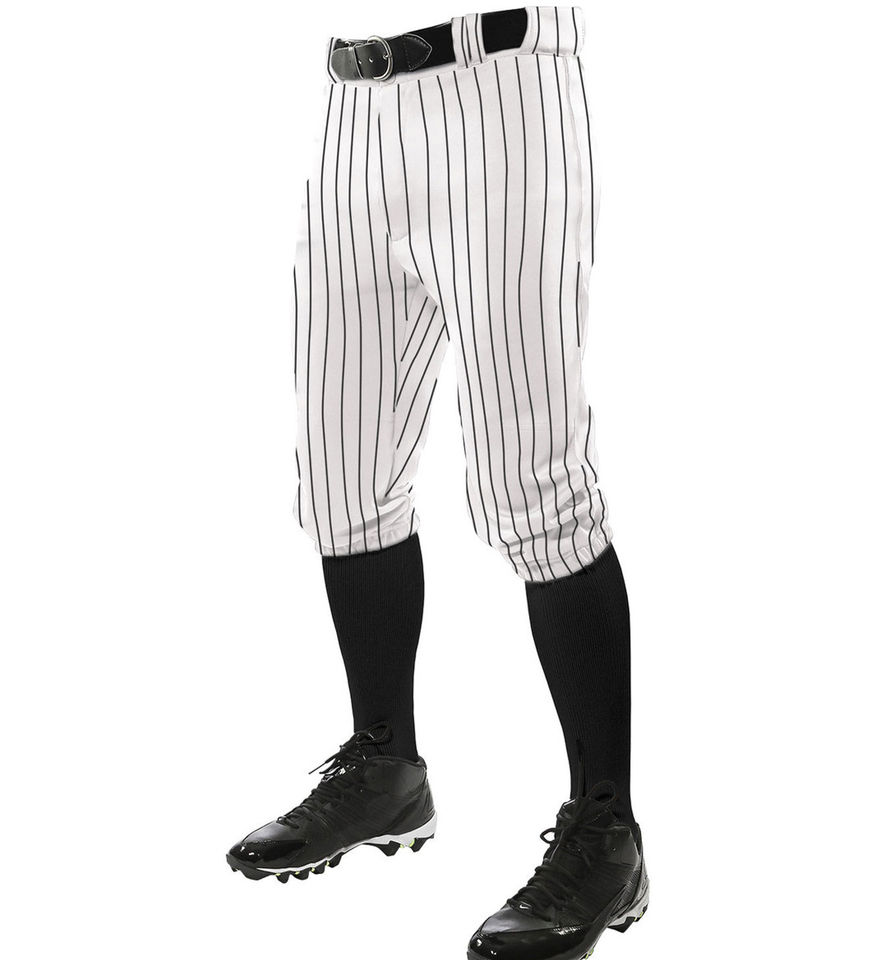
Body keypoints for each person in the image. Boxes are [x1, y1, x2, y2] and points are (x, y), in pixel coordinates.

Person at [227, 8, 648, 959]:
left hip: (499, 90)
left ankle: (607, 830)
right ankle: (386, 769)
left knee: (533, 490)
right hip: (353, 109)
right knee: (341, 477)